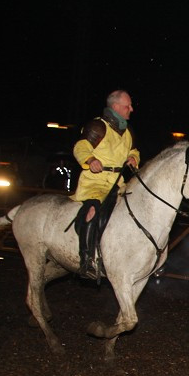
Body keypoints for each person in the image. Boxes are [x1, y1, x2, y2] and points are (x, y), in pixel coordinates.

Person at [71, 90, 141, 275]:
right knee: (93, 209)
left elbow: (134, 150)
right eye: (128, 106)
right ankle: (86, 259)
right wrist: (89, 160)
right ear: (116, 107)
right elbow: (81, 146)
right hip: (96, 182)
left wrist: (133, 158)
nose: (131, 109)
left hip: (118, 183)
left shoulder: (127, 131)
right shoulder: (97, 126)